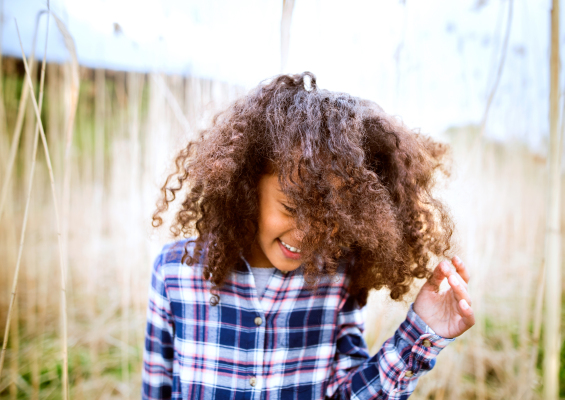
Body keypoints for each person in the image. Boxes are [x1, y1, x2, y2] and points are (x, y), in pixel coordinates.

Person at [142, 72, 474, 400]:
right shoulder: (175, 274)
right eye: (289, 207)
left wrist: (420, 334)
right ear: (246, 187)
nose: (307, 234)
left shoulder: (337, 277)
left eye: (328, 215)